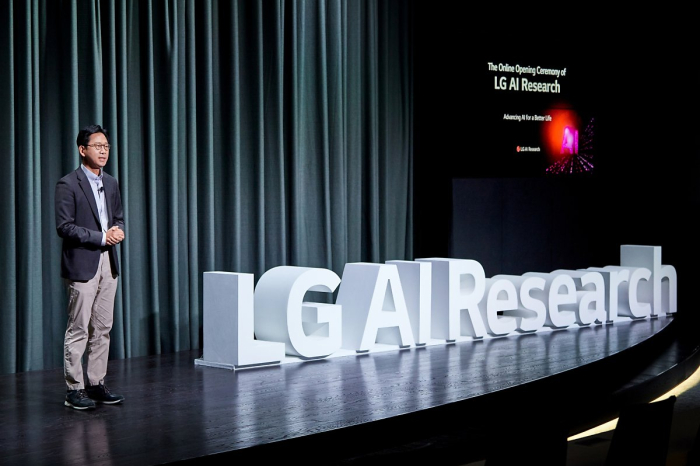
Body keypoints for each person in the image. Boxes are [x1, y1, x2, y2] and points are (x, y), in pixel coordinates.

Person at [55, 124, 126, 410]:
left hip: (108, 264)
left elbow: (118, 217)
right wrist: (101, 237)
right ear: (82, 150)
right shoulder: (68, 184)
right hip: (82, 264)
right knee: (79, 328)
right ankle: (74, 389)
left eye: (106, 146)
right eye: (98, 146)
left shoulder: (111, 183)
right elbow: (64, 227)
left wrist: (118, 230)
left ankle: (96, 383)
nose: (103, 150)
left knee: (103, 328)